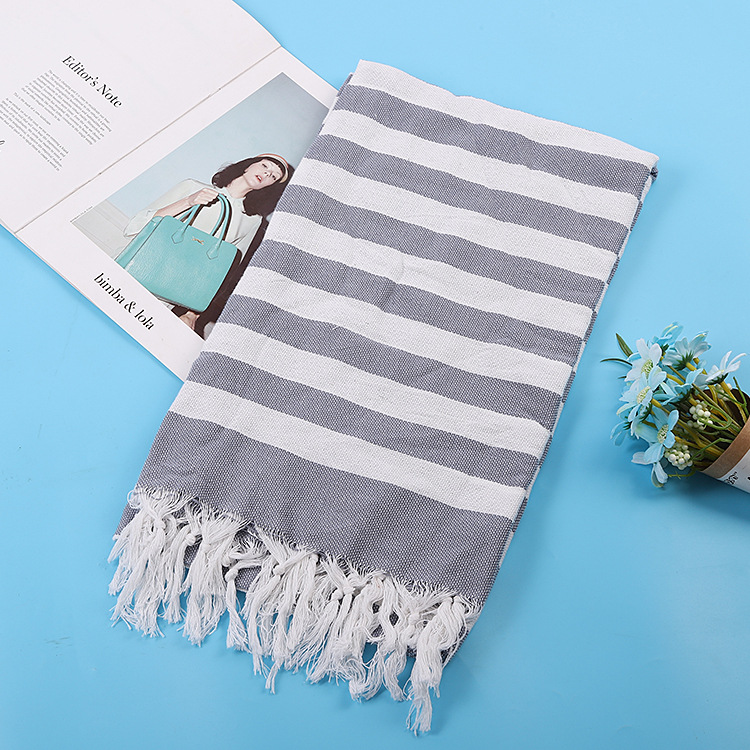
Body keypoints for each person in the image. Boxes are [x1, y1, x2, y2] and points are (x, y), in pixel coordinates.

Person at [123, 154, 294, 335]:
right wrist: (188, 202)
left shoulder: (252, 221)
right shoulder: (192, 187)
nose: (267, 174)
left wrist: (192, 315)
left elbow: (223, 274)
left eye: (273, 177)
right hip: (135, 270)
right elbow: (135, 227)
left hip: (167, 294)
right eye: (265, 166)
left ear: (269, 187)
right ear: (247, 165)